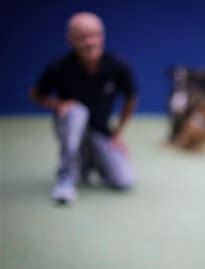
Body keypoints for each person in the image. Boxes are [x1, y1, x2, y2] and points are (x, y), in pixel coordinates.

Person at [30, 12, 138, 204]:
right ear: (69, 40)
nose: (90, 42)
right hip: (69, 125)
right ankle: (66, 179)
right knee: (77, 112)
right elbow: (36, 94)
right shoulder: (59, 66)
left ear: (102, 37)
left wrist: (117, 133)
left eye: (95, 35)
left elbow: (131, 97)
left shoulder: (117, 66)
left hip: (99, 130)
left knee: (125, 181)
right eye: (82, 37)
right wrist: (59, 104)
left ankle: (88, 164)